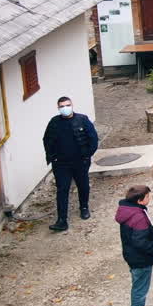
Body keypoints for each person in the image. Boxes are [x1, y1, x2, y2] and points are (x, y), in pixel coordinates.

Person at [42, 96, 100, 231]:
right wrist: (52, 158)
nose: (65, 108)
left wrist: (87, 155)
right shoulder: (54, 122)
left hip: (80, 161)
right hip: (61, 164)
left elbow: (93, 138)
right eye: (61, 106)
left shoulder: (82, 120)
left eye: (67, 105)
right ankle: (62, 220)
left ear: (72, 105)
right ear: (58, 108)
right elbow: (46, 140)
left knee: (83, 185)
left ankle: (84, 207)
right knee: (62, 190)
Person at [115, 185, 153, 306]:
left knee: (139, 287)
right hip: (140, 259)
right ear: (140, 200)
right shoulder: (138, 217)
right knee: (140, 290)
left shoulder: (128, 211)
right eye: (148, 197)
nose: (150, 198)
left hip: (132, 256)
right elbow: (140, 241)